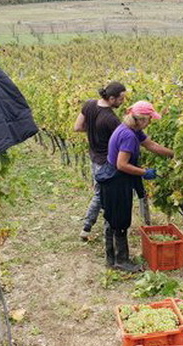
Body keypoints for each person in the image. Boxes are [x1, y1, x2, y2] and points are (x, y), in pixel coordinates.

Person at [97, 101, 174, 272]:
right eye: (149, 119)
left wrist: (173, 154)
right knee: (120, 218)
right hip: (116, 179)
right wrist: (144, 172)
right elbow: (122, 164)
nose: (150, 122)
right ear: (141, 119)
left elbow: (151, 145)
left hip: (113, 177)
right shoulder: (129, 136)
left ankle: (112, 258)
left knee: (113, 217)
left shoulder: (132, 129)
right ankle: (121, 260)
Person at [74, 81, 127, 240]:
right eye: (121, 99)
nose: (122, 102)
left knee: (99, 192)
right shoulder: (111, 119)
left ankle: (90, 226)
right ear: (111, 98)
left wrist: (93, 130)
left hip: (94, 156)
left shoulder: (89, 104)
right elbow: (121, 142)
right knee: (102, 194)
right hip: (106, 161)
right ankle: (88, 227)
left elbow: (77, 127)